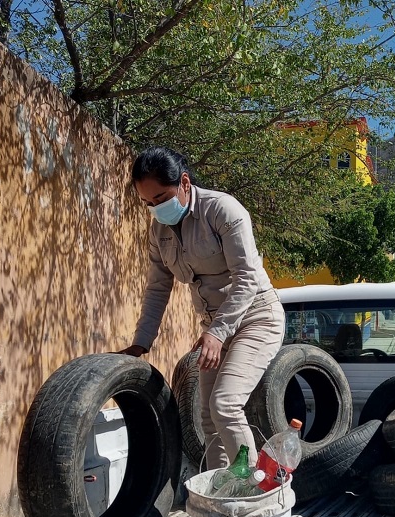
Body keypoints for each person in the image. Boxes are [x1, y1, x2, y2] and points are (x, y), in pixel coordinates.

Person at [119, 146, 285, 469]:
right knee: (209, 417)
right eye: (148, 203)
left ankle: (251, 493)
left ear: (183, 182)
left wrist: (217, 332)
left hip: (257, 319)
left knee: (224, 404)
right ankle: (221, 496)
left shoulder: (223, 210)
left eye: (161, 198)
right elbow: (157, 287)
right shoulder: (159, 232)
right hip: (214, 329)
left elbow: (247, 278)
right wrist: (141, 341)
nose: (156, 208)